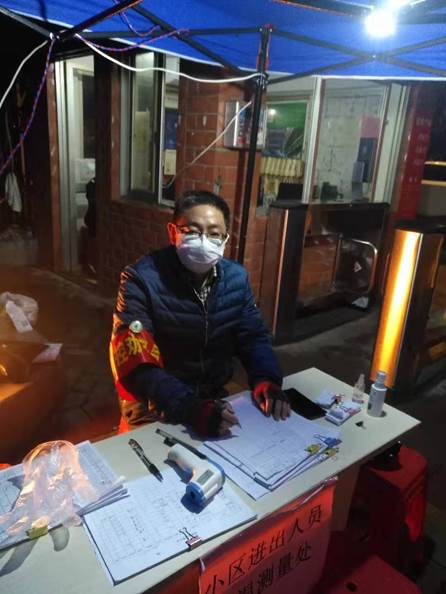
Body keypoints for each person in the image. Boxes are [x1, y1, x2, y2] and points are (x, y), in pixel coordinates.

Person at [110, 190, 290, 437]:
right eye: (192, 231)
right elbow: (136, 363)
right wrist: (190, 408)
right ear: (172, 232)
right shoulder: (141, 280)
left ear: (226, 239)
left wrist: (266, 378)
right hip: (153, 408)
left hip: (211, 401)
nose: (204, 241)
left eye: (214, 234)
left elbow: (253, 337)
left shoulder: (236, 279)